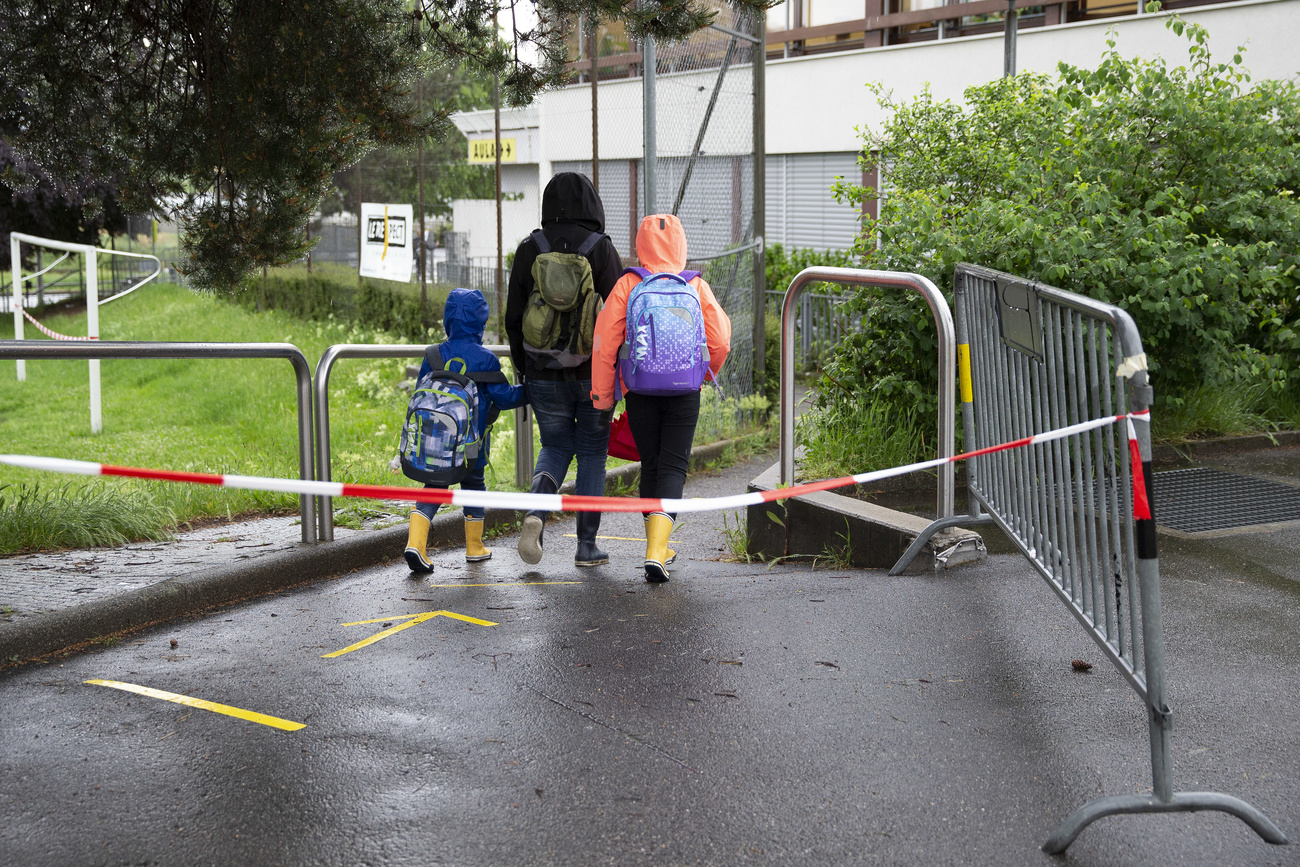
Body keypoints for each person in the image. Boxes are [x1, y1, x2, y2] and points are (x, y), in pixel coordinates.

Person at [590, 213, 731, 583]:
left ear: (641, 244)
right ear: (681, 245)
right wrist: (699, 373)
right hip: (685, 389)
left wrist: (606, 396)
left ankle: (656, 547)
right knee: (673, 467)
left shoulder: (628, 284)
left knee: (651, 465)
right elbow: (719, 341)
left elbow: (605, 345)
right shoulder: (696, 286)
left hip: (640, 388)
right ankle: (658, 550)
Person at [506, 172, 623, 567]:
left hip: (541, 373)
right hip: (593, 375)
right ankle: (587, 546)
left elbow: (513, 317)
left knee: (555, 446)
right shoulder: (601, 250)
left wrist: (526, 370)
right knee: (592, 454)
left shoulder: (529, 248)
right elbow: (619, 318)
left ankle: (536, 514)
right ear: (593, 203)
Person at [404, 288, 526, 573]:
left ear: (448, 320)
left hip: (434, 440)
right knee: (474, 485)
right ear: (481, 323)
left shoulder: (433, 354)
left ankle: (415, 542)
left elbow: (423, 388)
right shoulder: (486, 359)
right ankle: (474, 547)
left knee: (434, 487)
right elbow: (505, 397)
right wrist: (531, 392)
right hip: (471, 442)